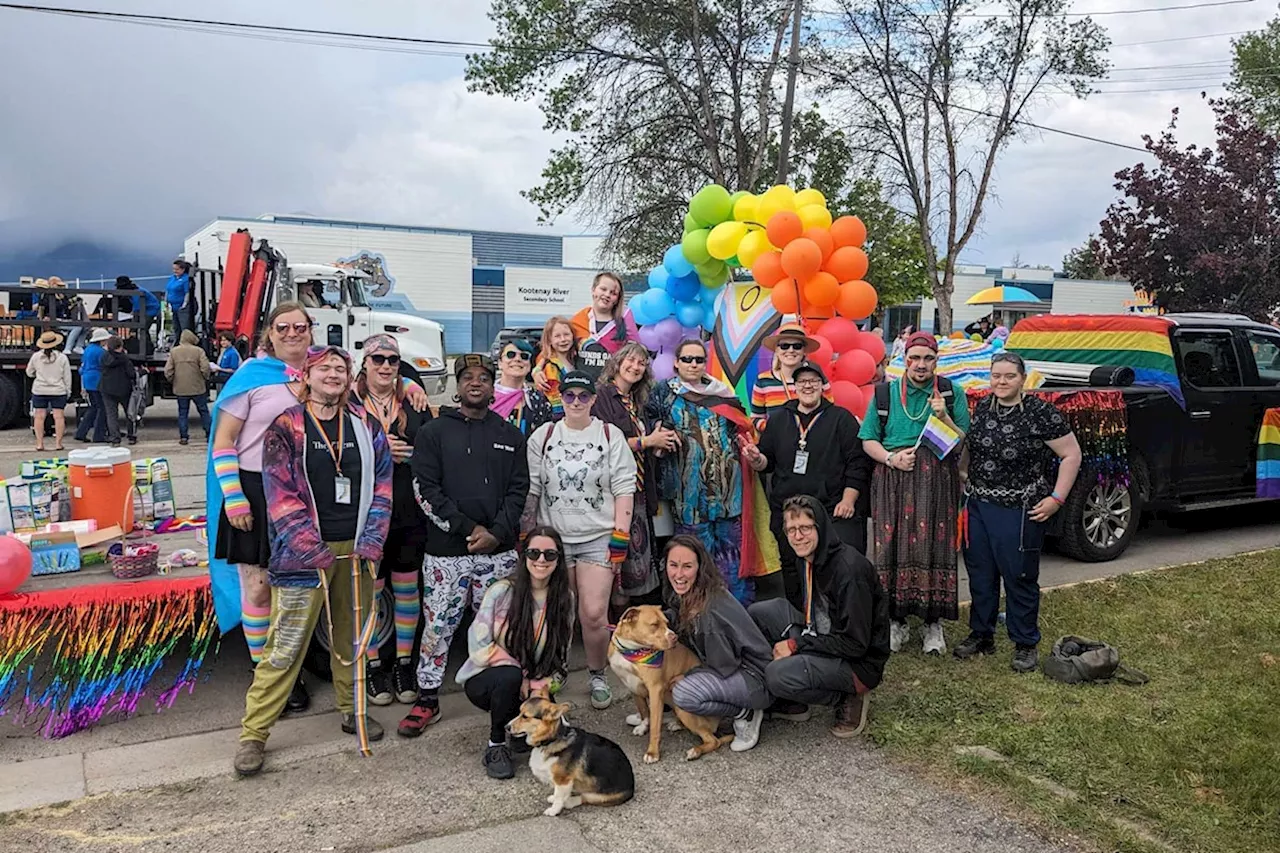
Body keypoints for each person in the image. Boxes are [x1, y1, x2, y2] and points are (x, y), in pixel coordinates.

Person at [233, 345, 394, 776]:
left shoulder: (364, 425)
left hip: (357, 551)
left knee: (353, 641)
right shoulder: (286, 427)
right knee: (285, 646)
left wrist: (373, 540)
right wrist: (310, 548)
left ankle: (352, 709)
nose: (334, 375)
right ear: (307, 376)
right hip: (304, 556)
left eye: (341, 369)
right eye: (325, 369)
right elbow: (279, 496)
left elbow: (382, 485)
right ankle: (254, 732)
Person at [398, 354, 529, 737]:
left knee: (500, 629)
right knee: (438, 627)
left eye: (484, 378)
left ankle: (504, 697)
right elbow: (425, 489)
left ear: (493, 386)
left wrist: (497, 532)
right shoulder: (435, 433)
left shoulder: (509, 435)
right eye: (468, 377)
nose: (476, 383)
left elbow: (519, 490)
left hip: (499, 554)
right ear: (458, 386)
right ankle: (427, 699)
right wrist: (469, 528)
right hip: (446, 555)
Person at [210, 303, 316, 713]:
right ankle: (268, 673)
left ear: (310, 331)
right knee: (258, 586)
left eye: (300, 327)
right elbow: (224, 443)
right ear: (269, 334)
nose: (292, 333)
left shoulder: (323, 372)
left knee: (299, 587)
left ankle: (296, 664)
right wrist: (234, 497)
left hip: (304, 492)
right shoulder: (250, 378)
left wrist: (408, 387)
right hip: (254, 490)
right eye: (283, 327)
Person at [957, 352, 1082, 673]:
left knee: (1020, 576)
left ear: (1022, 378)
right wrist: (964, 473)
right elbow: (972, 445)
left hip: (1020, 509)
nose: (1001, 381)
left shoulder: (1041, 413)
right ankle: (982, 634)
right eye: (996, 375)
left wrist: (1057, 497)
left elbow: (1071, 455)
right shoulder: (984, 406)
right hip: (979, 506)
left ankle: (1025, 642)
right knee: (981, 574)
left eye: (1009, 376)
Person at [526, 370, 636, 711]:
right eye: (569, 395)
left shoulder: (609, 434)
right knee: (557, 612)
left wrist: (621, 536)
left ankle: (597, 673)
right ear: (561, 397)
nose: (576, 401)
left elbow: (624, 487)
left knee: (592, 613)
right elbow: (532, 489)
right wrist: (526, 534)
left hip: (597, 536)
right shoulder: (543, 436)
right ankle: (553, 671)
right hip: (552, 540)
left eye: (583, 396)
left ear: (592, 399)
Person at [859, 331, 970, 656]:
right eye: (915, 358)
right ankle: (896, 621)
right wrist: (891, 458)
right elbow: (868, 439)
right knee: (889, 548)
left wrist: (943, 415)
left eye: (928, 358)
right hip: (893, 476)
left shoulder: (951, 392)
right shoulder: (885, 394)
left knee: (934, 547)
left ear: (937, 360)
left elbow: (962, 439)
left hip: (936, 478)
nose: (921, 365)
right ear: (904, 360)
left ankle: (933, 623)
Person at [747, 495, 890, 738]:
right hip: (821, 631)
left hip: (858, 661)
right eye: (791, 529)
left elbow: (855, 644)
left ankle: (847, 696)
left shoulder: (849, 570)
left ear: (820, 527)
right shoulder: (806, 557)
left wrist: (796, 644)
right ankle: (793, 698)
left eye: (804, 528)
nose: (797, 536)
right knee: (760, 612)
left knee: (776, 674)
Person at [742, 361, 871, 608]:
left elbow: (858, 464)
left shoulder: (841, 419)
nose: (808, 386)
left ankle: (837, 620)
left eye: (813, 381)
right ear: (795, 386)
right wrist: (756, 459)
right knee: (792, 570)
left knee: (834, 567)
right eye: (802, 381)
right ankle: (800, 620)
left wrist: (849, 499)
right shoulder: (779, 418)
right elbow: (766, 461)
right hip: (788, 510)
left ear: (823, 386)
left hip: (830, 509)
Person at [457, 526, 575, 779]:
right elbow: (478, 648)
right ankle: (496, 745)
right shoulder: (502, 591)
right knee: (510, 676)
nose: (541, 560)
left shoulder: (565, 599)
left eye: (549, 555)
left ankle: (520, 733)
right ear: (524, 557)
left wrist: (540, 686)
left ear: (559, 559)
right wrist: (521, 674)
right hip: (487, 679)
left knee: (561, 735)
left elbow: (561, 660)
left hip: (533, 685)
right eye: (533, 553)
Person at [355, 335, 432, 706]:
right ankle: (373, 666)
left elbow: (433, 450)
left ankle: (404, 663)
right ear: (365, 363)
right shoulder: (349, 403)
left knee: (406, 589)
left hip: (408, 509)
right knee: (370, 591)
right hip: (365, 512)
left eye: (393, 360)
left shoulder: (413, 400)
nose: (386, 366)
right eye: (378, 359)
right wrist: (378, 447)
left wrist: (412, 453)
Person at [651, 338, 759, 604]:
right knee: (689, 559)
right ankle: (693, 615)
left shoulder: (721, 391)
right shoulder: (665, 392)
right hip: (689, 496)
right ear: (676, 362)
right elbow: (650, 422)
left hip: (728, 493)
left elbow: (741, 424)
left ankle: (738, 616)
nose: (693, 364)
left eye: (698, 359)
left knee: (732, 559)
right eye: (687, 359)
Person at [664, 535, 773, 753]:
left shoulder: (709, 610)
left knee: (684, 693)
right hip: (733, 667)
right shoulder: (688, 593)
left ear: (700, 567)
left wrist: (689, 676)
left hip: (753, 677)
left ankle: (746, 712)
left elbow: (723, 664)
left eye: (687, 567)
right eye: (673, 565)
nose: (678, 574)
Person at [591, 342, 679, 601]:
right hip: (613, 494)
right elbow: (604, 443)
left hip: (639, 490)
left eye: (642, 363)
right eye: (630, 360)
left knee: (636, 566)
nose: (636, 367)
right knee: (616, 564)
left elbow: (646, 443)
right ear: (617, 363)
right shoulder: (602, 396)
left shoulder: (638, 401)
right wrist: (649, 441)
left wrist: (661, 443)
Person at [750, 323, 824, 428]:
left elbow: (828, 413)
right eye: (784, 346)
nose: (790, 350)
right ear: (776, 350)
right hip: (776, 443)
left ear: (804, 351)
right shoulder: (763, 380)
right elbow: (755, 418)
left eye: (797, 346)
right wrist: (773, 428)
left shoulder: (818, 380)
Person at [570, 272, 638, 379]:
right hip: (582, 389)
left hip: (611, 388)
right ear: (593, 290)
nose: (607, 295)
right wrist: (538, 370)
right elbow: (553, 351)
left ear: (617, 300)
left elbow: (637, 353)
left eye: (613, 293)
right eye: (603, 289)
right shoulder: (578, 320)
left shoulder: (624, 325)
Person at [491, 337, 554, 436]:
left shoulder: (538, 400)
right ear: (500, 363)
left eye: (524, 356)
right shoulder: (483, 395)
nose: (517, 359)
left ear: (529, 366)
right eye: (510, 355)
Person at [164, 329, 212, 445]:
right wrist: (205, 378)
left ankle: (184, 437)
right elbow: (205, 367)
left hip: (181, 388)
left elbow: (168, 370)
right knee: (203, 411)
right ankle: (209, 434)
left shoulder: (174, 352)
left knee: (183, 413)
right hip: (197, 387)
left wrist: (173, 380)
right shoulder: (199, 351)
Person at [26, 331, 72, 452]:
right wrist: (68, 390)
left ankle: (40, 444)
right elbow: (67, 376)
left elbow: (29, 372)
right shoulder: (62, 357)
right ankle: (58, 444)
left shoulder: (36, 356)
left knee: (39, 417)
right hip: (58, 390)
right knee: (59, 417)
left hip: (40, 389)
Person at [532, 315, 577, 419]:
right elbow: (555, 401)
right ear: (549, 341)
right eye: (557, 336)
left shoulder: (576, 360)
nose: (563, 339)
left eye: (566, 334)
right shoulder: (550, 367)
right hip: (560, 417)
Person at [99, 335, 136, 447]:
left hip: (107, 388)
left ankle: (115, 438)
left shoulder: (104, 357)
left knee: (111, 415)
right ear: (120, 346)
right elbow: (131, 374)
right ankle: (131, 436)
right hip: (124, 389)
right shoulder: (124, 359)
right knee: (129, 413)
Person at [74, 328, 110, 443]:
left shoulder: (88, 349)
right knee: (103, 408)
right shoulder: (101, 352)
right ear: (102, 340)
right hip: (97, 381)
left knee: (93, 407)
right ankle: (99, 435)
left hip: (87, 380)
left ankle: (81, 432)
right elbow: (106, 366)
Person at [166, 260, 193, 340]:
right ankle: (177, 341)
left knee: (184, 327)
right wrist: (166, 302)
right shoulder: (172, 278)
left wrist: (184, 304)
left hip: (181, 306)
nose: (175, 271)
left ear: (183, 269)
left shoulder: (185, 279)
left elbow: (187, 292)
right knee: (176, 327)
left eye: (177, 269)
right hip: (173, 306)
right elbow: (168, 290)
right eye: (174, 269)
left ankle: (186, 342)